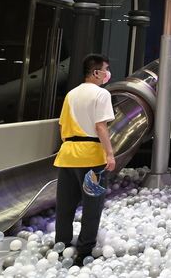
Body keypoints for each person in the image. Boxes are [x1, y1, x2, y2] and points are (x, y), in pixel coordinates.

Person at [53, 53, 116, 264]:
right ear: (97, 72)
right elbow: (101, 126)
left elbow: (62, 127)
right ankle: (84, 252)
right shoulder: (101, 94)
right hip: (91, 158)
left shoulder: (70, 94)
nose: (108, 74)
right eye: (106, 69)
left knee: (65, 206)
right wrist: (109, 153)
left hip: (68, 156)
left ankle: (60, 248)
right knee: (92, 206)